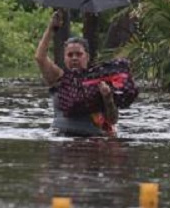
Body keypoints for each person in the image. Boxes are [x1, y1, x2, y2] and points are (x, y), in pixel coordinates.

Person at [36, 9, 118, 137]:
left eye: (78, 54)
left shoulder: (99, 82)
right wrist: (51, 28)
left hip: (91, 140)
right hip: (61, 138)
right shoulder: (58, 78)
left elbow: (113, 120)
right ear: (65, 58)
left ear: (87, 57)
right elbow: (40, 58)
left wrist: (107, 97)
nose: (74, 58)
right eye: (70, 55)